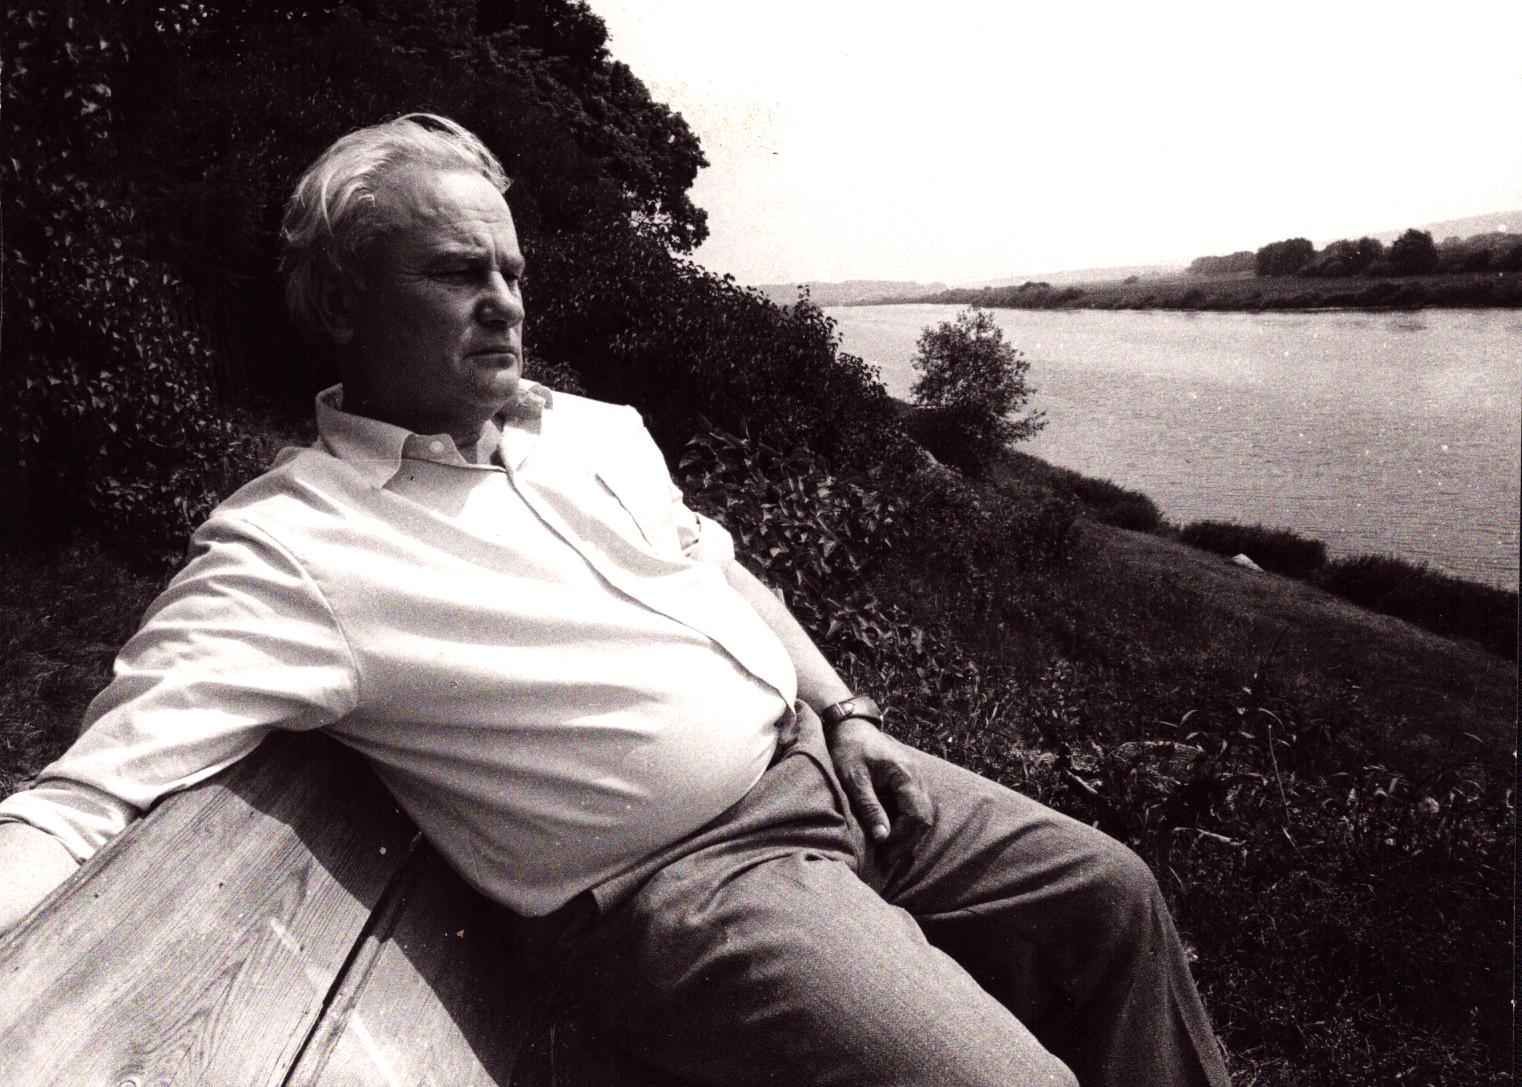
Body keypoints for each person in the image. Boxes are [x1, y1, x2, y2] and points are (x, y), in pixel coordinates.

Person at [0, 113, 1231, 1087]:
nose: (504, 300)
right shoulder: (293, 547)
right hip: (694, 885)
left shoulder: (590, 429)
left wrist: (847, 712)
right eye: (455, 271)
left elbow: (719, 570)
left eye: (510, 269)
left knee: (1112, 894)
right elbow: (86, 793)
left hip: (823, 761)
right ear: (339, 305)